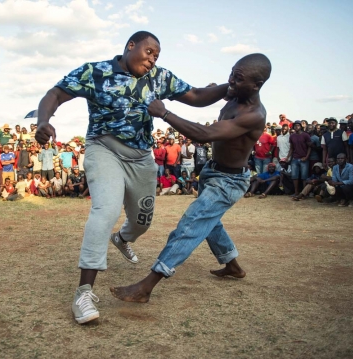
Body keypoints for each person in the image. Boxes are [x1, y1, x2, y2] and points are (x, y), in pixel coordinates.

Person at [35, 30, 235, 324]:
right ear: (131, 46)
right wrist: (43, 120)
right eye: (149, 52)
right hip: (103, 148)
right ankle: (84, 292)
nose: (152, 59)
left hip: (141, 157)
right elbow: (55, 94)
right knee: (105, 210)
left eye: (157, 55)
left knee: (143, 221)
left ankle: (124, 238)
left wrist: (229, 87)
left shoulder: (160, 78)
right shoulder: (95, 72)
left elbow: (195, 95)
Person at [110, 53, 272, 305]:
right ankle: (232, 266)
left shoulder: (254, 114)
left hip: (228, 182)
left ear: (256, 85)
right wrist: (214, 89)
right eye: (231, 72)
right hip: (213, 171)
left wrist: (165, 114)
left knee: (192, 224)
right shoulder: (235, 94)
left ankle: (146, 286)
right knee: (210, 222)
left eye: (237, 78)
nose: (230, 80)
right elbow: (200, 95)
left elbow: (206, 134)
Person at [287, 120, 312, 198]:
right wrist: (288, 157)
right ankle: (296, 192)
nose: (296, 127)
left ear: (301, 126)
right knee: (295, 176)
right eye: (295, 126)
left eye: (298, 125)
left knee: (304, 177)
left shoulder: (306, 135)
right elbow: (291, 148)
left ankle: (304, 193)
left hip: (304, 158)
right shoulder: (292, 136)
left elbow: (309, 147)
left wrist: (307, 157)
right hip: (295, 158)